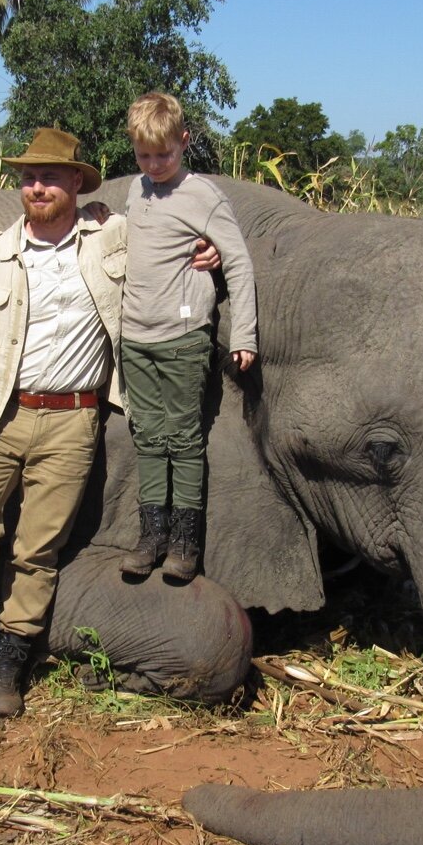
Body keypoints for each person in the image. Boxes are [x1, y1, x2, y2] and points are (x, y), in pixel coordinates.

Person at [0, 127, 218, 717]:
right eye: (29, 177)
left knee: (38, 550)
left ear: (75, 185)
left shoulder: (111, 236)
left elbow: (165, 244)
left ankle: (12, 656)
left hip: (72, 421)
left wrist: (203, 249)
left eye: (51, 177)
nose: (37, 186)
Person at [118, 92, 257, 582]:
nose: (154, 165)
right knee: (149, 438)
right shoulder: (135, 191)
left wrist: (244, 333)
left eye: (164, 154)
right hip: (134, 337)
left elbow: (237, 261)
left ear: (184, 141)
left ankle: (184, 544)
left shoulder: (203, 196)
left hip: (182, 336)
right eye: (144, 155)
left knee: (183, 438)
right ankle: (150, 535)